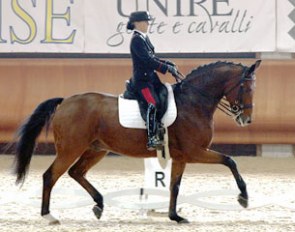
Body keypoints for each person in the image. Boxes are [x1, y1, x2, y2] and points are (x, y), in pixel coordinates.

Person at [126, 11, 178, 151]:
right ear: (136, 23)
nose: (148, 24)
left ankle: (160, 128)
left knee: (165, 95)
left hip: (151, 79)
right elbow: (147, 61)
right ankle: (152, 138)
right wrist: (165, 68)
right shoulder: (137, 40)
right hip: (142, 81)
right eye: (145, 21)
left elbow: (152, 57)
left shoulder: (144, 38)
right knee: (152, 103)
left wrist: (167, 63)